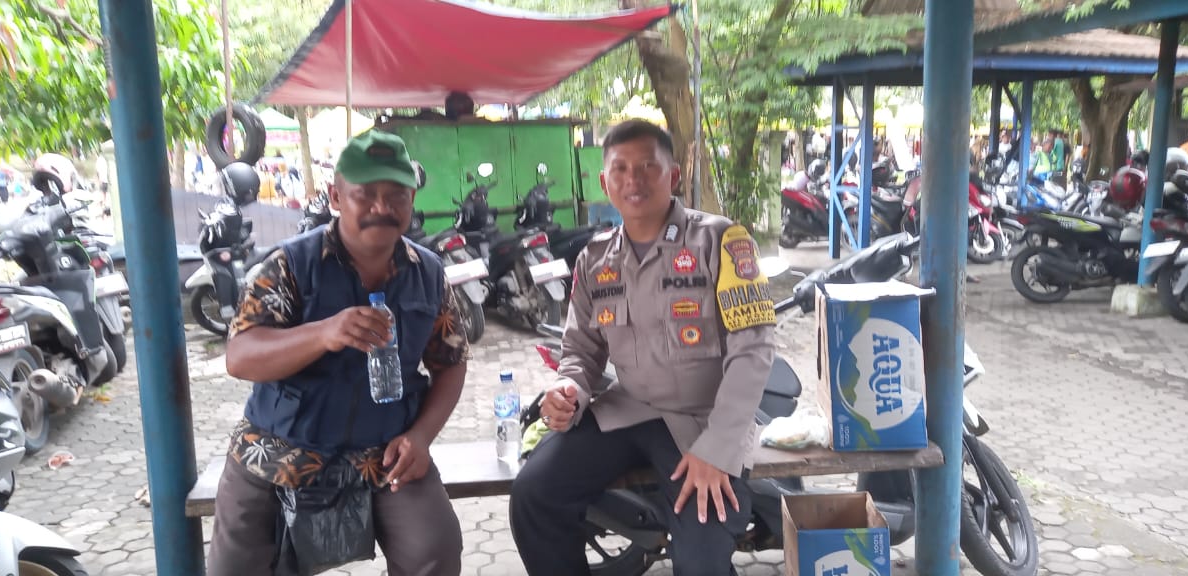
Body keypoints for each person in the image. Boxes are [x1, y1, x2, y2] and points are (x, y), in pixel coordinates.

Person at [509, 119, 776, 576]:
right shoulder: (595, 259)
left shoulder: (721, 241)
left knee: (701, 556)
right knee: (534, 495)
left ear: (674, 175)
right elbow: (581, 350)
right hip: (627, 411)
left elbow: (753, 351)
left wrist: (718, 449)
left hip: (703, 421)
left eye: (648, 167)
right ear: (604, 182)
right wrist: (570, 389)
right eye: (620, 169)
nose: (633, 180)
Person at [207, 130, 468, 576]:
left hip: (385, 453)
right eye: (365, 194)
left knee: (435, 551)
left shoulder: (428, 273)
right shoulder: (289, 265)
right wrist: (323, 333)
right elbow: (241, 356)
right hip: (278, 448)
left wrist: (421, 437)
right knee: (234, 569)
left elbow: (451, 364)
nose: (382, 207)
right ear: (335, 197)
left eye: (397, 195)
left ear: (411, 200)